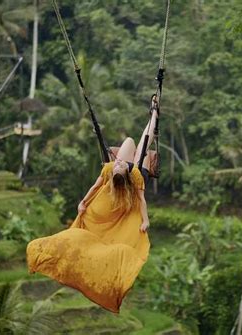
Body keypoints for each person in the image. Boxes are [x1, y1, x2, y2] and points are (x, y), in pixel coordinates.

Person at [26, 95, 160, 313]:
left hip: (135, 174)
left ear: (122, 168)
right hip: (137, 172)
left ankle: (154, 114)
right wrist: (84, 202)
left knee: (137, 142)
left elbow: (130, 197)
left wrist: (145, 221)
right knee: (138, 140)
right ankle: (154, 113)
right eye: (116, 163)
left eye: (117, 163)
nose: (115, 162)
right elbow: (101, 188)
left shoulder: (124, 171)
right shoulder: (122, 171)